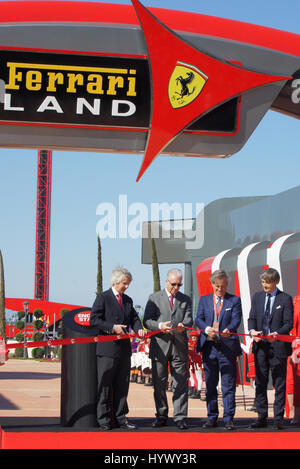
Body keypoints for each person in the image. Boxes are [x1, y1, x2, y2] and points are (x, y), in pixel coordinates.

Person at [89, 267, 145, 431]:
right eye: (124, 284)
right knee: (105, 386)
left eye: (128, 284)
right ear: (115, 282)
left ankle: (121, 418)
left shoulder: (128, 300)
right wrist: (112, 327)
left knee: (123, 385)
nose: (126, 287)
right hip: (107, 350)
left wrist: (139, 327)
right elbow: (94, 319)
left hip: (124, 350)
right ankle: (104, 419)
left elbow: (134, 318)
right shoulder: (103, 298)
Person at [143, 268, 193, 430]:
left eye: (179, 284)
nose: (176, 287)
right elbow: (147, 321)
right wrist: (159, 326)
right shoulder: (154, 298)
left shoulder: (186, 299)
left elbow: (189, 320)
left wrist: (183, 326)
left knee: (180, 384)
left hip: (179, 346)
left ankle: (180, 417)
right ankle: (161, 415)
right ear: (166, 281)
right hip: (160, 346)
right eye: (174, 284)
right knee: (159, 383)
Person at [195, 269, 242, 430]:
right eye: (217, 287)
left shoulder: (234, 300)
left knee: (228, 385)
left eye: (222, 287)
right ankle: (212, 417)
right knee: (210, 385)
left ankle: (228, 418)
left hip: (227, 348)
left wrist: (229, 329)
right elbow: (198, 319)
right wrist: (207, 328)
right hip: (209, 347)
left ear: (226, 285)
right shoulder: (204, 300)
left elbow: (236, 319)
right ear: (212, 284)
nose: (220, 290)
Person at [248, 267, 294, 430]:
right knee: (260, 383)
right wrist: (252, 331)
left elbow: (288, 324)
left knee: (279, 383)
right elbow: (252, 318)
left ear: (276, 282)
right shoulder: (258, 297)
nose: (264, 285)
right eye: (262, 282)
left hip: (278, 347)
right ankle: (262, 417)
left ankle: (278, 418)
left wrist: (276, 333)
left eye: (267, 282)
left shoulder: (285, 299)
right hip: (260, 347)